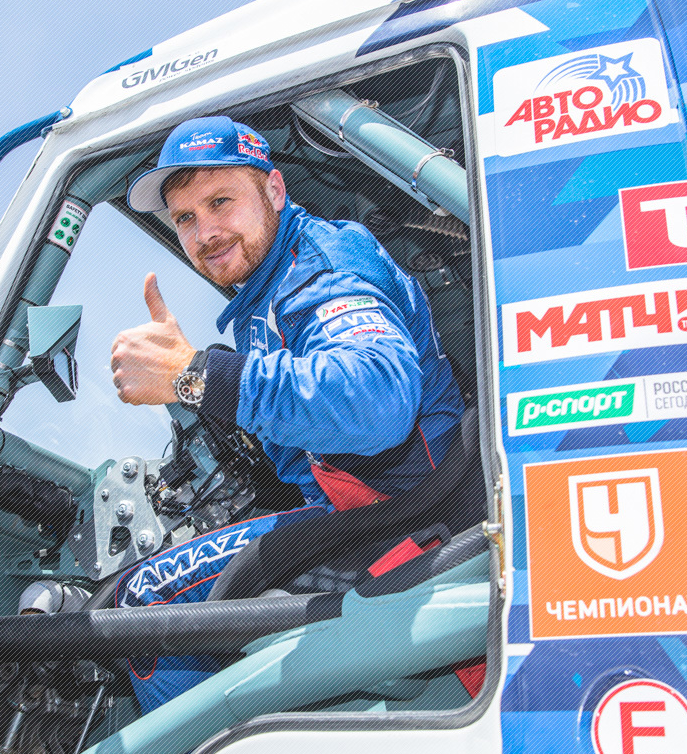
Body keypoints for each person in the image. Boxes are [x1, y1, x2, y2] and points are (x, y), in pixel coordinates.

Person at [106, 115, 464, 713]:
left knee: (144, 602)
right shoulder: (263, 299)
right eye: (185, 218)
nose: (204, 232)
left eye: (220, 201)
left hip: (399, 517)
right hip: (365, 512)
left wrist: (195, 377)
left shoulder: (317, 263)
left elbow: (377, 399)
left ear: (274, 190)